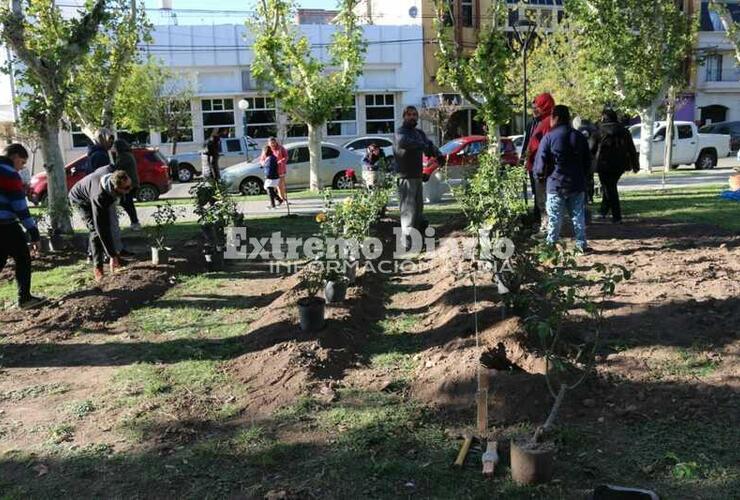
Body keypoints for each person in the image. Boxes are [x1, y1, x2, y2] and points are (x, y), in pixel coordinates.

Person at [534, 105, 592, 253]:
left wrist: (540, 176)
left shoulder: (549, 137)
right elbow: (588, 162)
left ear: (556, 118)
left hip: (555, 184)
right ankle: (581, 245)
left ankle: (550, 246)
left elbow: (540, 162)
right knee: (578, 217)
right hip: (577, 184)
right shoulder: (579, 136)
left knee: (554, 218)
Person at [0, 144, 46, 308]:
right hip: (5, 225)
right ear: (15, 157)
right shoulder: (9, 173)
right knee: (23, 258)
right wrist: (33, 232)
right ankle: (25, 299)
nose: (22, 167)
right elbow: (20, 207)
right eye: (22, 162)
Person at [69, 168, 131, 281]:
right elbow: (101, 228)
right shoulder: (100, 197)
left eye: (129, 186)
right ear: (115, 188)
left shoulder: (111, 173)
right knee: (95, 231)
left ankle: (114, 257)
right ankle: (98, 267)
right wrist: (111, 255)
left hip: (91, 190)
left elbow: (107, 166)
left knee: (109, 225)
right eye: (126, 188)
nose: (129, 190)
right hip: (80, 199)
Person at [394, 105, 440, 247]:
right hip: (405, 177)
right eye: (409, 114)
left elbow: (429, 145)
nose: (412, 117)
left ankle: (418, 240)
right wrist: (424, 145)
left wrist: (437, 153)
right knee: (408, 211)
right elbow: (405, 143)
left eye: (415, 115)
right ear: (404, 116)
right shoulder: (400, 133)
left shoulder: (419, 133)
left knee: (418, 211)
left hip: (417, 176)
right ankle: (407, 244)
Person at [592, 109, 639, 223]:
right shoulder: (624, 131)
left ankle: (616, 216)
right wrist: (635, 164)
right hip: (620, 164)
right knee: (609, 187)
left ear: (604, 118)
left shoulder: (599, 131)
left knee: (609, 188)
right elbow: (631, 149)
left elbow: (591, 148)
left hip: (603, 164)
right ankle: (603, 212)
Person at [525, 93, 556, 230]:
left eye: (536, 107)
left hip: (543, 167)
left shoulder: (549, 123)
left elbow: (539, 146)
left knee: (544, 198)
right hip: (535, 165)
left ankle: (548, 227)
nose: (534, 110)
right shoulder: (536, 123)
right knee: (539, 198)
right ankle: (542, 223)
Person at [112, 138, 141, 231]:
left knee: (127, 203)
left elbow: (116, 168)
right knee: (126, 202)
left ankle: (135, 222)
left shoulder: (123, 156)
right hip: (131, 182)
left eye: (115, 147)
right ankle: (134, 222)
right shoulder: (128, 155)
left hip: (129, 184)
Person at [267, 137, 289, 202]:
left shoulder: (280, 148)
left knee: (280, 185)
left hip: (280, 169)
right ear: (268, 143)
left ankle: (282, 198)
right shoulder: (267, 149)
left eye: (274, 143)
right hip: (270, 170)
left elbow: (286, 157)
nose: (273, 145)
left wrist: (281, 161)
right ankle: (275, 200)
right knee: (270, 186)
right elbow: (262, 159)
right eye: (271, 143)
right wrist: (264, 163)